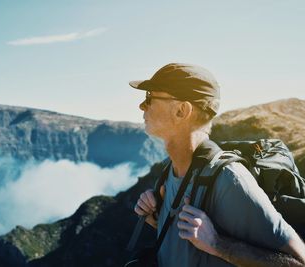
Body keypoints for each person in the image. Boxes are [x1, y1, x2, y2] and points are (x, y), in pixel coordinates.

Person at [131, 63, 305, 266]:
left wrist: (217, 244)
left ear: (181, 110)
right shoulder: (171, 171)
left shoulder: (229, 178)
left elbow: (299, 262)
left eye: (150, 97)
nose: (142, 106)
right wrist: (158, 220)